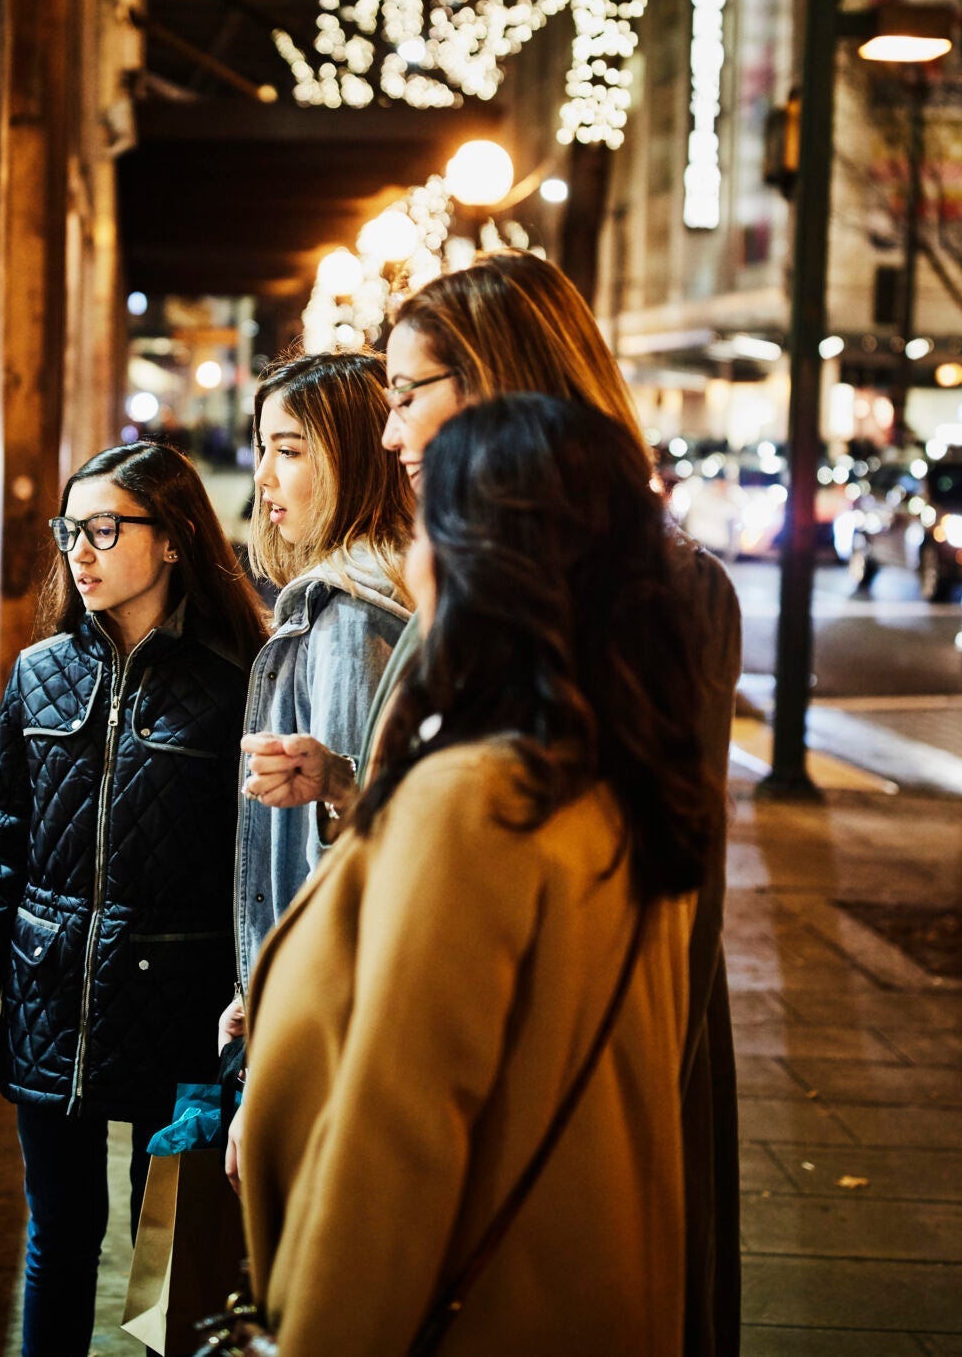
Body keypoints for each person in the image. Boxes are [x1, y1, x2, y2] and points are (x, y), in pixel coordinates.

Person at [238, 249, 745, 1356]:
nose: (388, 433)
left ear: (497, 382)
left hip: (545, 1131)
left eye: (409, 392)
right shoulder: (471, 594)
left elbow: (642, 889)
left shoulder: (659, 592)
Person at [0, 440, 267, 1357]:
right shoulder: (39, 674)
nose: (82, 549)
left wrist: (252, 1017)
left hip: (181, 1012)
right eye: (71, 530)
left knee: (171, 1254)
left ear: (176, 538)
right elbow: (2, 856)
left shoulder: (235, 685)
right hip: (49, 1001)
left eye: (106, 527)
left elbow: (251, 873)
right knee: (60, 1242)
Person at [230, 350, 416, 1026]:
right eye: (261, 448)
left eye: (290, 450)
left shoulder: (349, 615)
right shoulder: (378, 592)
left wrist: (284, 1010)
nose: (264, 475)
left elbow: (339, 848)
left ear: (353, 459)